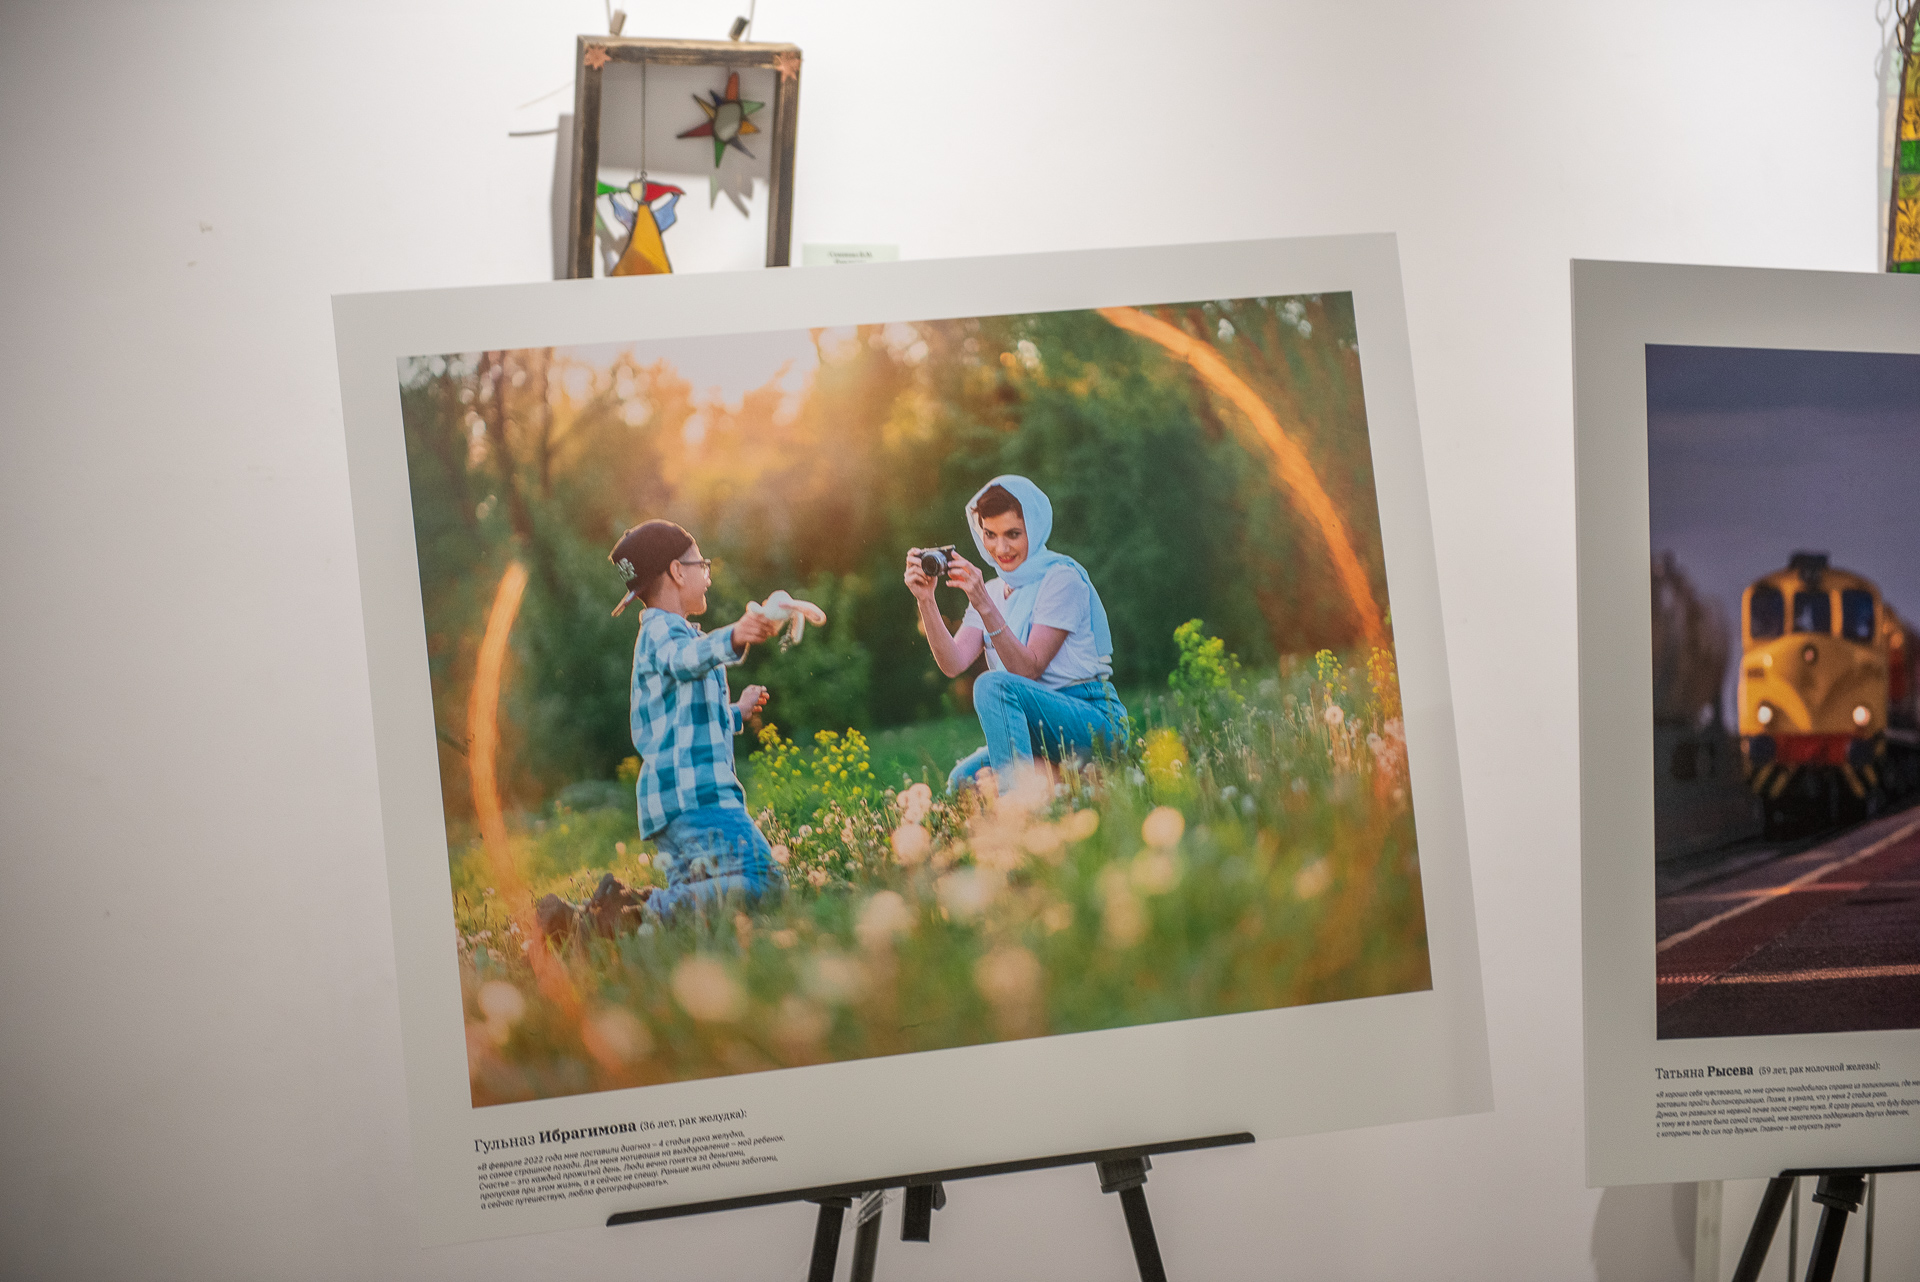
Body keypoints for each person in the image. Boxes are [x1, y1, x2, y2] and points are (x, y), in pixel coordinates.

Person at [903, 475, 1129, 792]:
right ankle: (1060, 781)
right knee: (961, 782)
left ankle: (1020, 806)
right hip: (1035, 728)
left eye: (1013, 534)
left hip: (1091, 721)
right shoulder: (992, 590)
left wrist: (983, 604)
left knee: (992, 685)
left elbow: (1028, 670)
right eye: (990, 535)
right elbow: (952, 664)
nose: (1001, 548)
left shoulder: (1061, 579)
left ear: (1033, 530)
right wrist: (925, 600)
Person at [609, 519, 785, 919]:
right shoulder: (661, 632)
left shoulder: (679, 634)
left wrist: (736, 712)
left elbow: (685, 720)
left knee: (697, 900)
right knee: (764, 882)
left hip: (676, 802)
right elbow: (684, 661)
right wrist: (735, 635)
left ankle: (613, 913)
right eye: (701, 565)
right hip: (697, 798)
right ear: (676, 571)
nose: (707, 575)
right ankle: (640, 914)